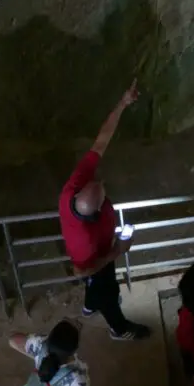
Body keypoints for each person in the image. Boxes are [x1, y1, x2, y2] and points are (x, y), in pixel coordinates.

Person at [58, 80, 150, 342]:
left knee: (96, 287)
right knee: (107, 292)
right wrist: (116, 252)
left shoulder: (73, 188)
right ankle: (118, 328)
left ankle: (88, 306)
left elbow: (100, 143)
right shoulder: (83, 241)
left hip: (101, 250)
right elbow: (81, 270)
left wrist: (123, 103)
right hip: (98, 261)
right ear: (96, 211)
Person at [10, 318, 91, 386]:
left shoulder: (39, 344)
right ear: (74, 350)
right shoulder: (77, 381)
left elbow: (12, 341)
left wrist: (36, 357)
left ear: (48, 339)